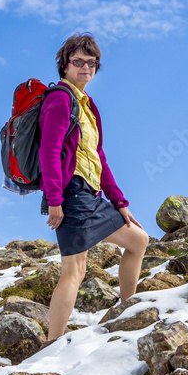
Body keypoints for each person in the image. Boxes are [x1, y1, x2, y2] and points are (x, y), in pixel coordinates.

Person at [37, 33, 148, 348]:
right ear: (65, 65)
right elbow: (49, 151)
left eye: (91, 62)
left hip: (91, 194)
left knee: (137, 240)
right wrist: (55, 202)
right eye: (78, 61)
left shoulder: (87, 106)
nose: (85, 66)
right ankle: (52, 343)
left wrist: (120, 202)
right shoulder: (61, 98)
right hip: (71, 193)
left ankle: (127, 309)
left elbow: (99, 158)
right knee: (74, 269)